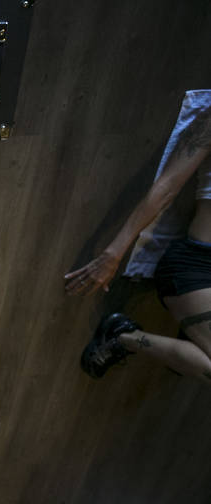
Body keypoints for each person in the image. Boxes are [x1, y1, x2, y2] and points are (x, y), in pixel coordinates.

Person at [64, 91, 211, 383]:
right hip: (196, 268)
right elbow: (167, 186)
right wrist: (113, 252)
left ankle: (195, 343)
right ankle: (122, 336)